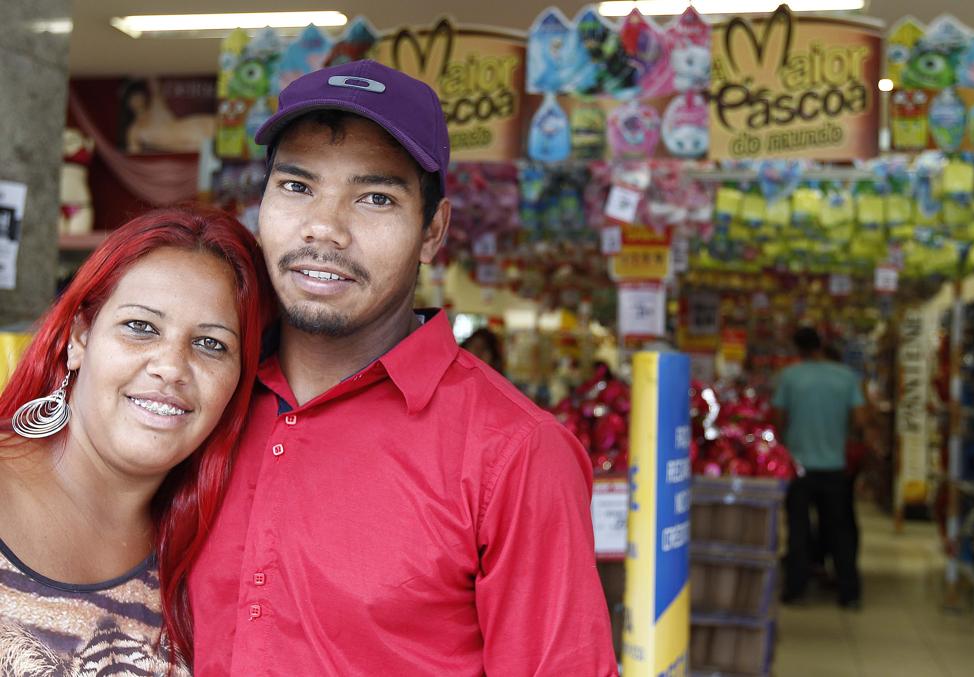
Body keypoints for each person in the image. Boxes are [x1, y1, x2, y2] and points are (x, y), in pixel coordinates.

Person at [190, 60, 618, 675]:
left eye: (375, 198)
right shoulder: (204, 397)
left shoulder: (516, 454)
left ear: (431, 231)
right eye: (296, 185)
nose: (325, 229)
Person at [0, 207, 273, 672]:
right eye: (141, 327)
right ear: (79, 338)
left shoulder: (208, 555)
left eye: (211, 344)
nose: (170, 366)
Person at [773, 327, 866, 609]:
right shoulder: (845, 376)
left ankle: (795, 588)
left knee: (798, 529)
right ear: (822, 344)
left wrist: (789, 439)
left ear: (796, 348)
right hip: (834, 466)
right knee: (839, 530)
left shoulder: (789, 377)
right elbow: (860, 420)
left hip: (798, 466)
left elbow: (778, 418)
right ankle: (849, 592)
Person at [120, 79, 217, 154]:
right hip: (192, 143)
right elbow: (135, 158)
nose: (137, 99)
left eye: (138, 94)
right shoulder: (134, 130)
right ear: (127, 102)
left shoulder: (156, 106)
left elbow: (154, 83)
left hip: (196, 126)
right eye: (132, 97)